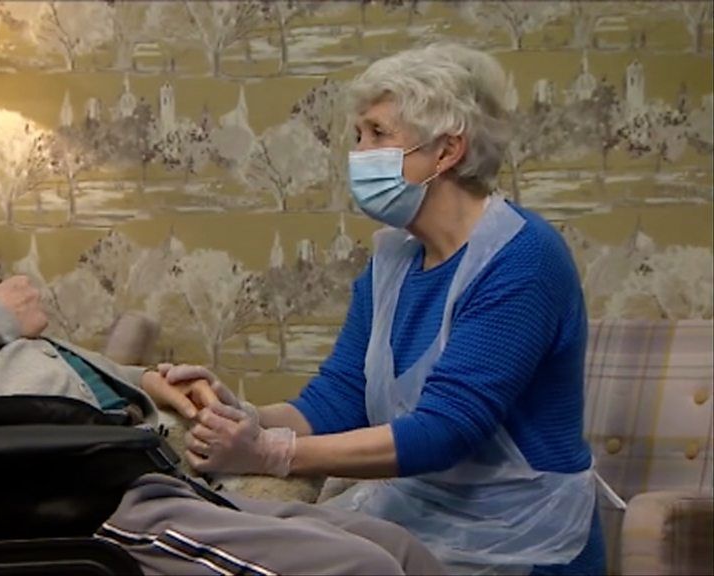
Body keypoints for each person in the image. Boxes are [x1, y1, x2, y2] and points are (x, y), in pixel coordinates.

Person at [0, 34, 444, 575]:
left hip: (109, 465)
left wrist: (141, 382)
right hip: (57, 496)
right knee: (361, 568)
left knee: (401, 552)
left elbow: (10, 364)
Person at [171, 42, 604, 575]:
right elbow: (340, 398)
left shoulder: (524, 258)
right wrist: (239, 416)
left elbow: (446, 430)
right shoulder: (393, 261)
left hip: (518, 542)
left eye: (378, 134)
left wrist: (269, 453)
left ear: (446, 152)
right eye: (357, 135)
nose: (358, 152)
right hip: (423, 519)